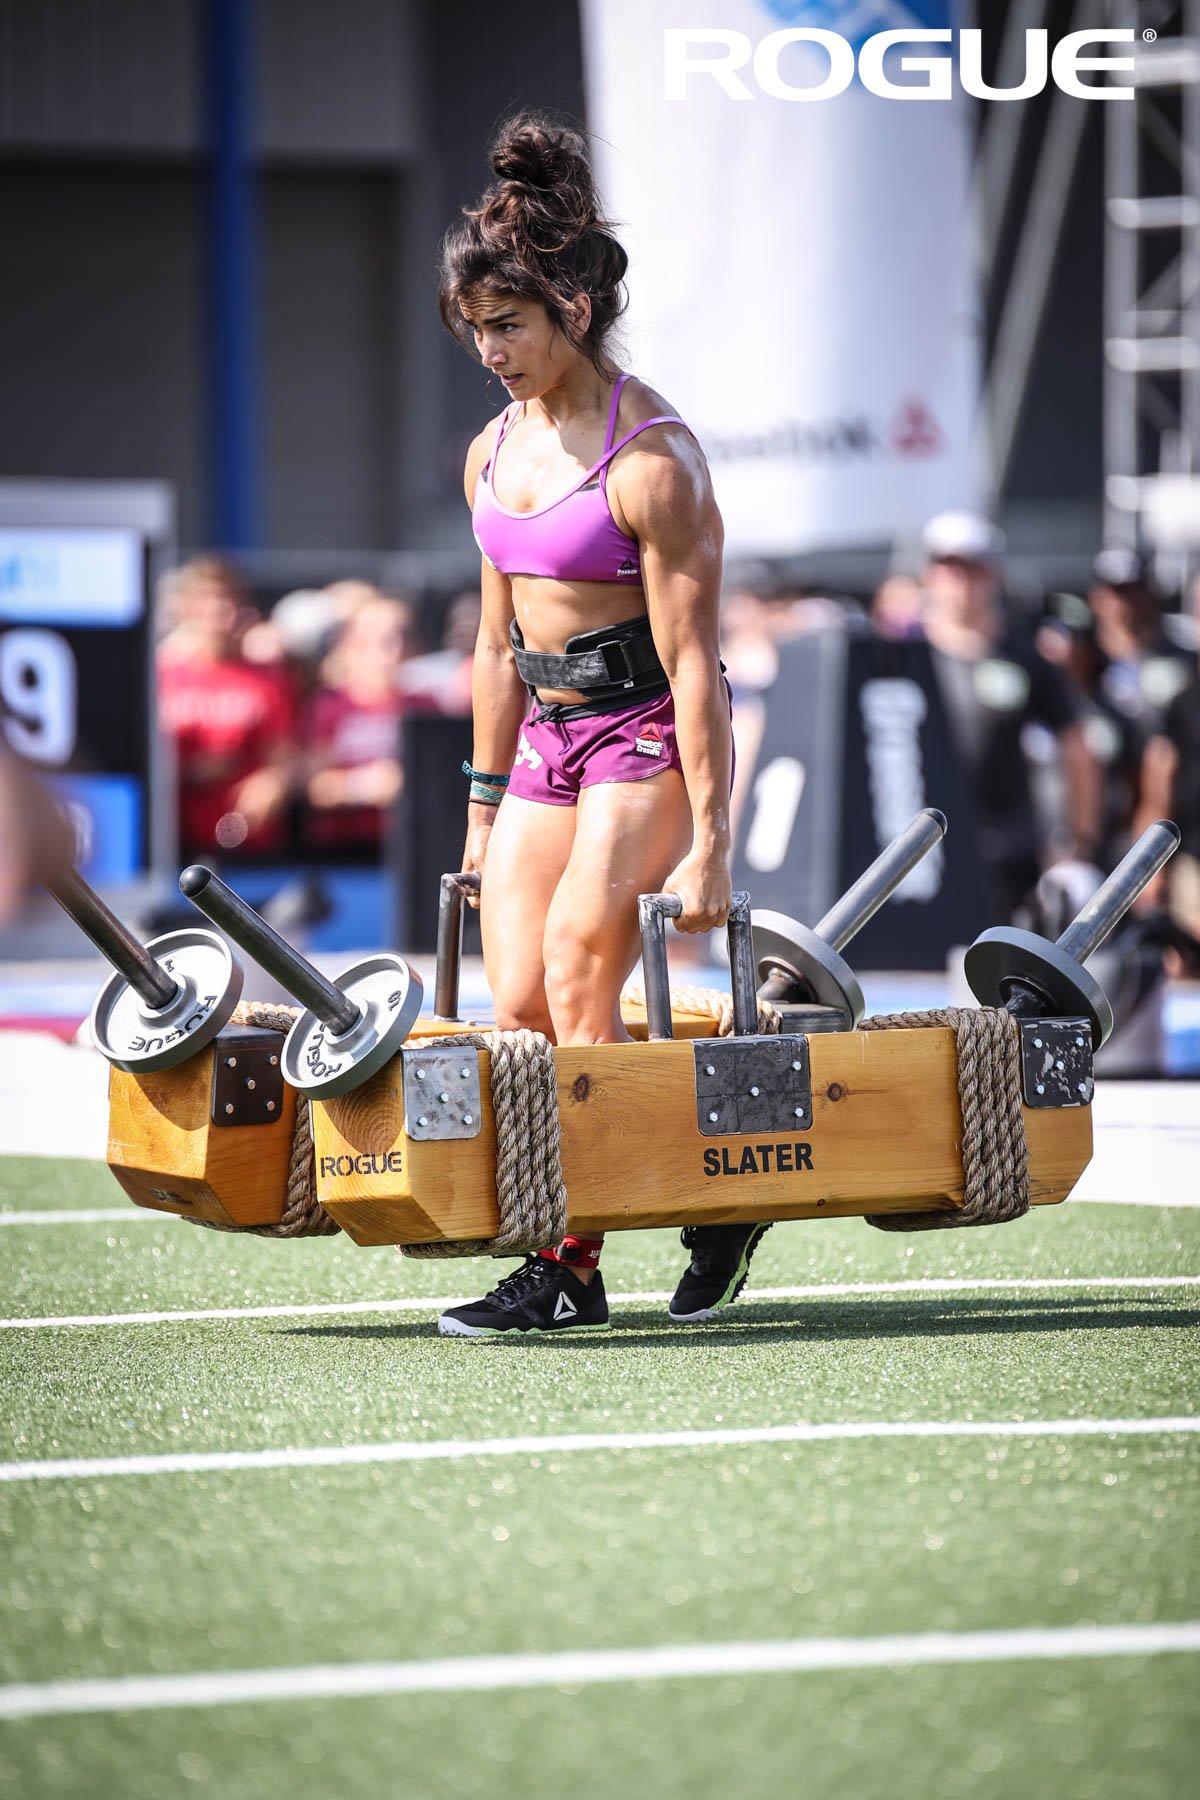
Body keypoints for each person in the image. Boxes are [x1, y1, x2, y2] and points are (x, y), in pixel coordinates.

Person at [432, 114, 764, 1337]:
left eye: (508, 326)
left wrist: (714, 843)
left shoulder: (654, 461)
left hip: (643, 737)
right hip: (544, 746)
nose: (492, 352)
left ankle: (572, 1262)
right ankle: (718, 1188)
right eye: (476, 331)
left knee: (581, 965)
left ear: (572, 305)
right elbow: (490, 647)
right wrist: (477, 811)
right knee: (520, 1002)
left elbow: (694, 668)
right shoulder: (490, 452)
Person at [917, 512, 1102, 919]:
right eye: (949, 569)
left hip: (1004, 849)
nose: (960, 584)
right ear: (929, 575)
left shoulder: (1022, 657)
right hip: (918, 843)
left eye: (972, 570)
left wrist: (1079, 843)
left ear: (992, 575)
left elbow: (1078, 747)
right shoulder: (902, 653)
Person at [156, 558, 295, 859]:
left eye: (228, 602)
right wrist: (188, 771)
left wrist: (272, 781)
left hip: (247, 836)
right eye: (208, 602)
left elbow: (284, 755)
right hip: (173, 837)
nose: (221, 614)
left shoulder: (266, 680)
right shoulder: (162, 677)